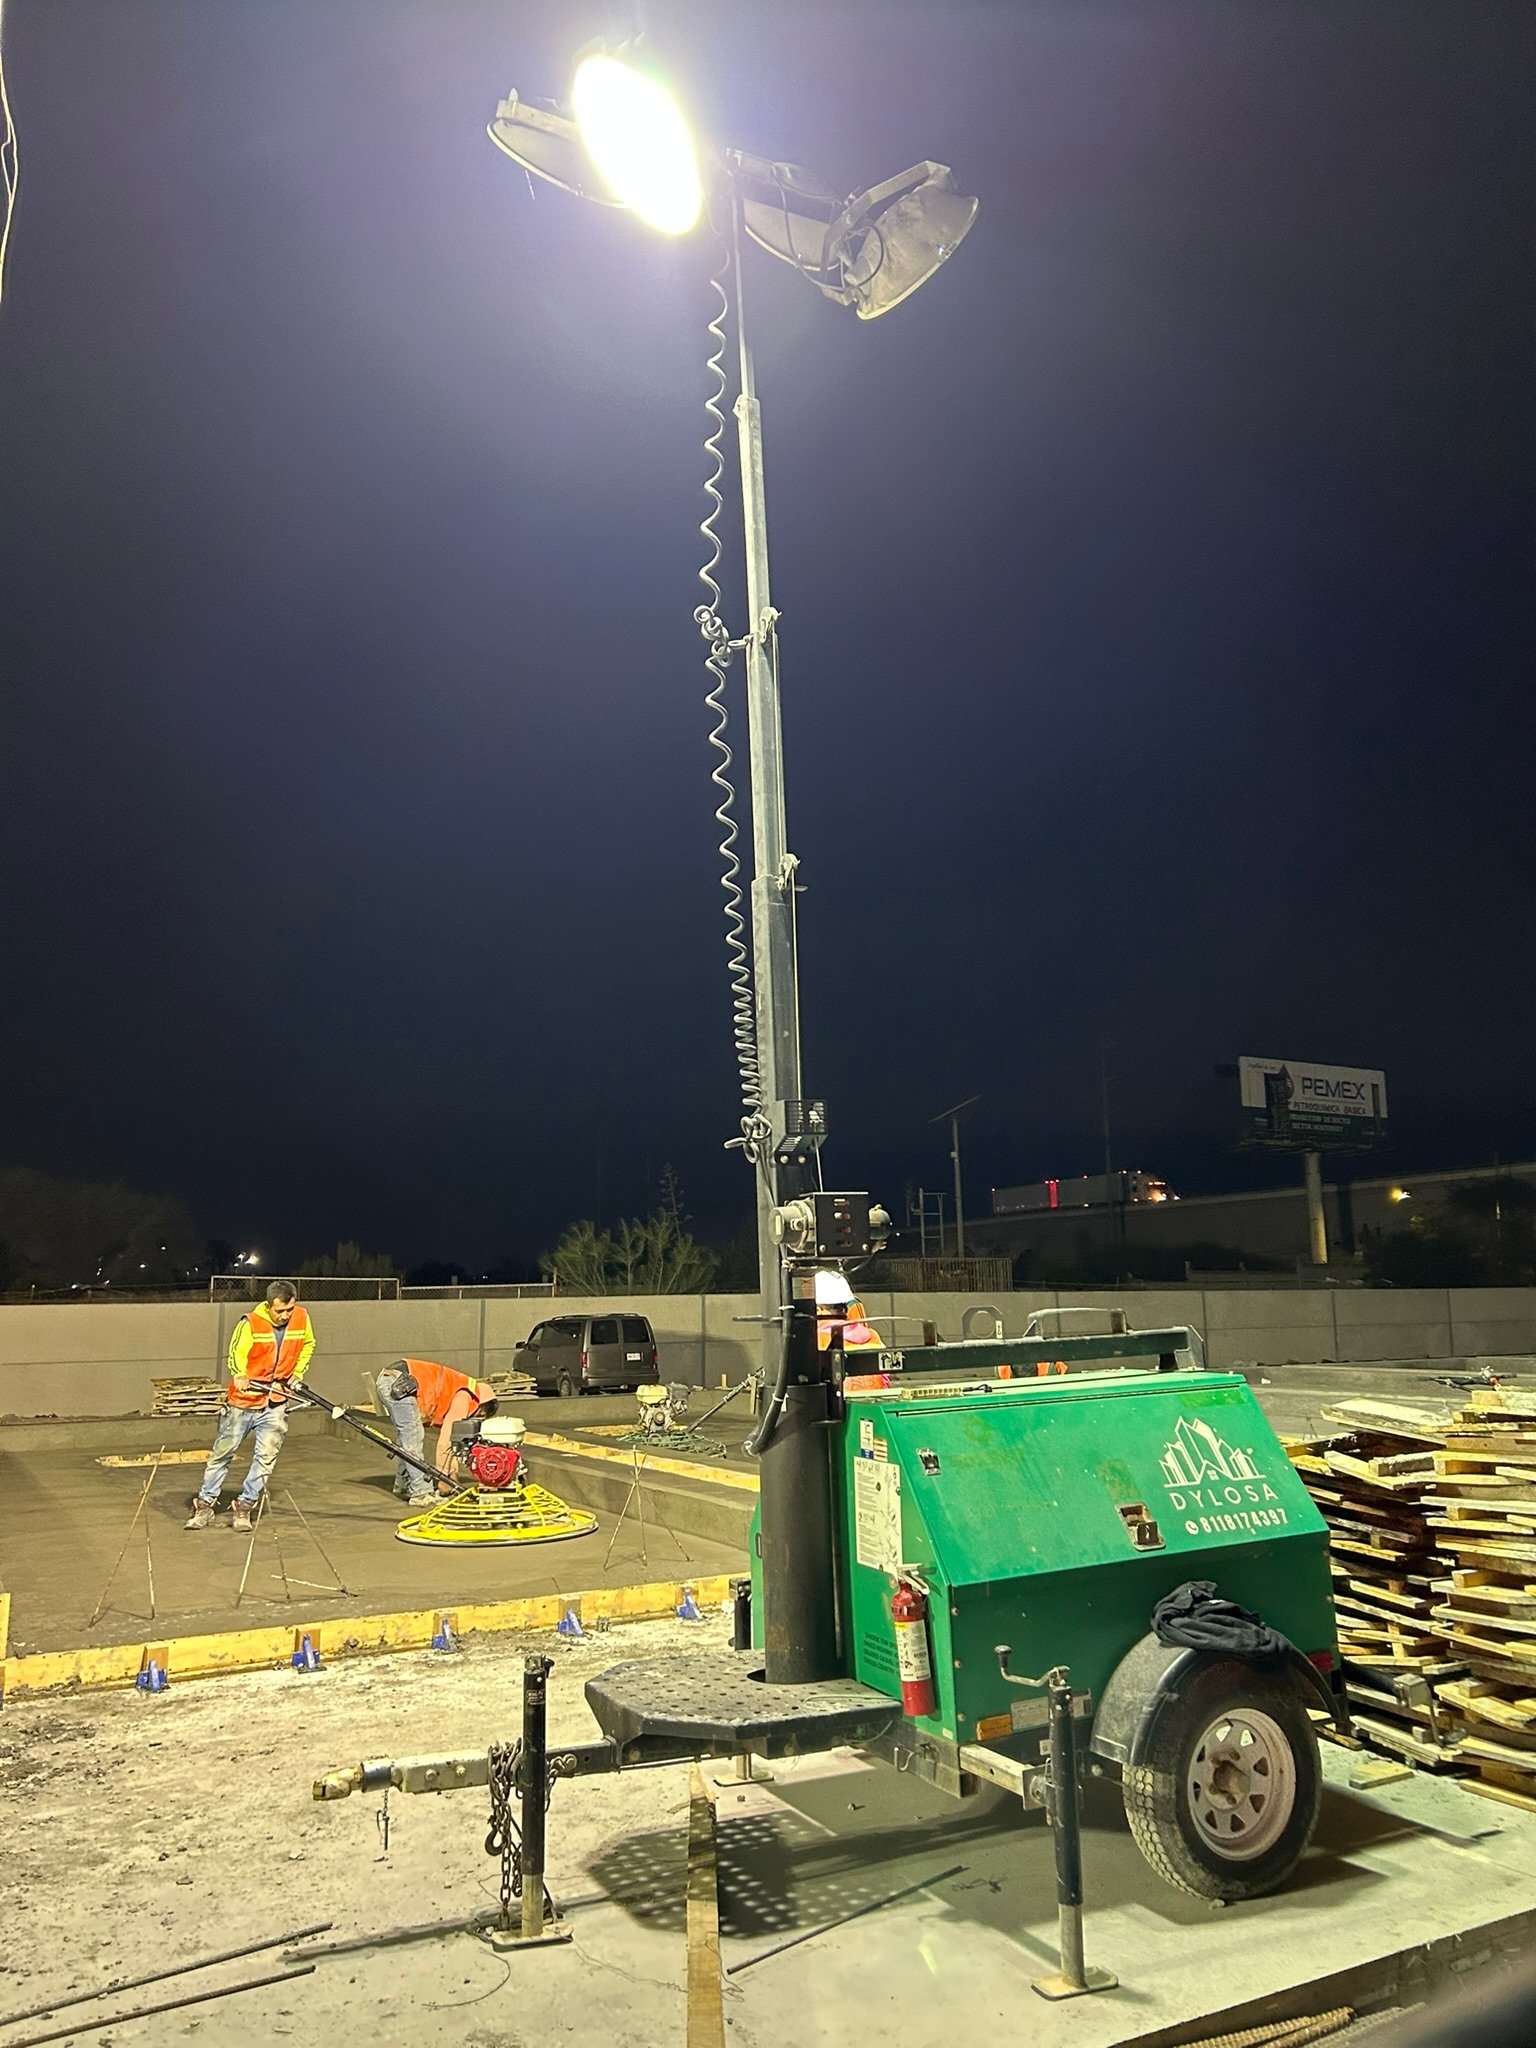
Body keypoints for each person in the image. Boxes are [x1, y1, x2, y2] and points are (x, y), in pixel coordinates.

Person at [185, 1281, 315, 1533]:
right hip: (244, 1402)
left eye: (290, 1309)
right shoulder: (251, 1323)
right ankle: (205, 1504)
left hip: (276, 1400)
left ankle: (245, 1506)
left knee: (266, 1458)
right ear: (269, 1306)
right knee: (223, 1453)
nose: (286, 1315)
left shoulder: (301, 1318)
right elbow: (236, 1353)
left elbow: (308, 1344)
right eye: (280, 1311)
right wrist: (239, 1374)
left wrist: (297, 1371)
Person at [376, 1359, 497, 1505]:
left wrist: (452, 1474)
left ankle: (403, 1485)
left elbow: (452, 1443)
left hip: (395, 1379)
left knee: (407, 1437)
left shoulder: (462, 1388)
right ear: (482, 1405)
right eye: (480, 1415)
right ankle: (421, 1493)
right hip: (400, 1382)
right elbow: (446, 1441)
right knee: (412, 1436)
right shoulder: (466, 1397)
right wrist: (443, 1477)